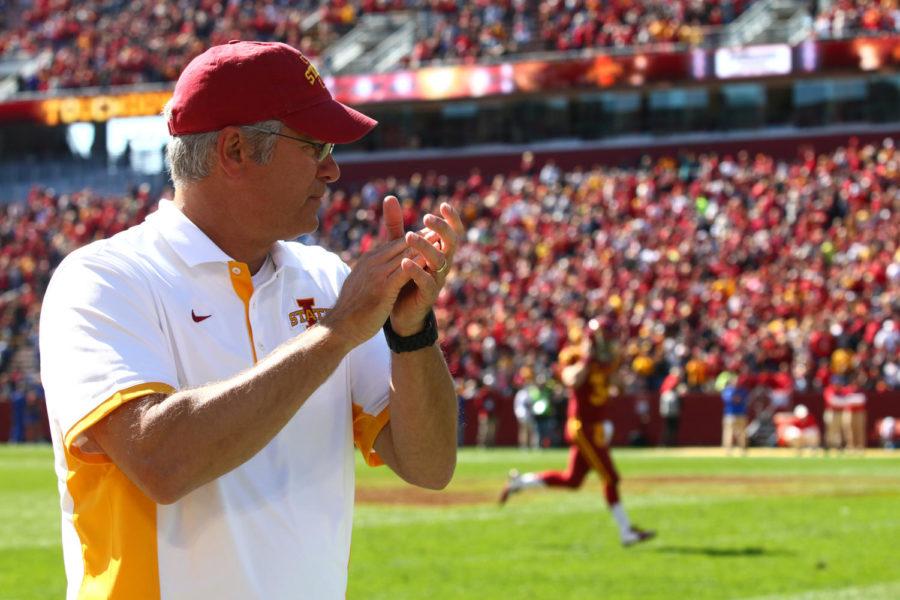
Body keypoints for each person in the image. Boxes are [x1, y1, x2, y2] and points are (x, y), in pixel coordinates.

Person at [39, 41, 462, 600]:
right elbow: (162, 461)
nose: (333, 169)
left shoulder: (328, 278)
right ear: (234, 150)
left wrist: (413, 333)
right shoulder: (103, 278)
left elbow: (431, 465)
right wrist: (335, 333)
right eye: (315, 145)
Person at [499, 318, 655, 547]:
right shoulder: (575, 357)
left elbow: (618, 387)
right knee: (610, 477)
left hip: (596, 427)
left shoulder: (605, 362)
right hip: (583, 427)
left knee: (572, 480)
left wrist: (613, 366)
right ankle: (626, 532)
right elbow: (571, 379)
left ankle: (520, 482)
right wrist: (588, 359)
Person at [658, 365, 686, 447]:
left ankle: (668, 442)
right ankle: (668, 443)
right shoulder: (673, 378)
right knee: (670, 424)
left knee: (670, 424)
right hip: (670, 400)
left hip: (668, 399)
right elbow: (671, 389)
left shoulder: (669, 379)